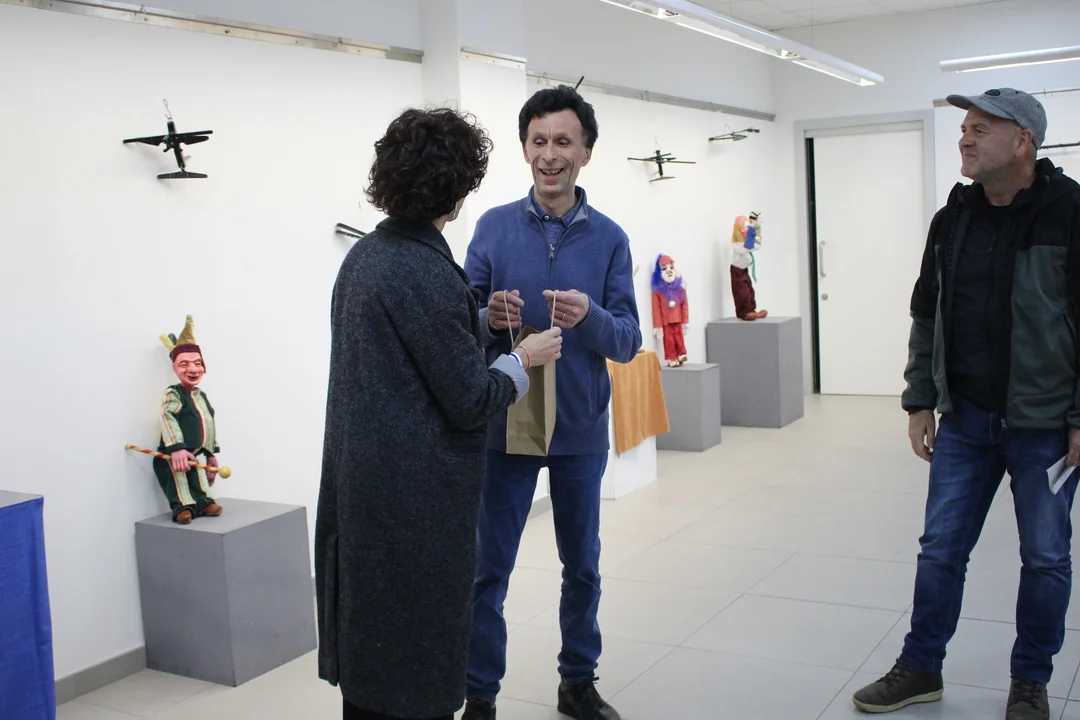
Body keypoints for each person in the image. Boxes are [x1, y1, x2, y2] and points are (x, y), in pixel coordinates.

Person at [314, 107, 563, 720]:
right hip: (414, 502)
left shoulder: (366, 257)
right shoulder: (423, 269)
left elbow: (409, 350)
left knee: (371, 658)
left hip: (364, 489)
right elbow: (471, 398)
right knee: (414, 664)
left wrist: (477, 322)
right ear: (457, 187)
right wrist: (524, 358)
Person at [852, 89, 1080, 720]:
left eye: (981, 129)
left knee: (1046, 559)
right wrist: (919, 399)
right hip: (967, 418)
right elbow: (926, 312)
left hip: (1044, 424)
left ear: (1023, 141)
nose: (965, 138)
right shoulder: (953, 218)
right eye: (964, 129)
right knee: (941, 549)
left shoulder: (1070, 212)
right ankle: (921, 666)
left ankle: (1030, 682)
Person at [461, 85, 642, 720]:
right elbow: (458, 323)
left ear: (586, 152)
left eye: (563, 141)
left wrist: (590, 316)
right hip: (504, 424)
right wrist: (486, 316)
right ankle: (479, 695)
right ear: (524, 149)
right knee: (488, 570)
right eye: (538, 141)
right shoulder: (492, 227)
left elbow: (627, 341)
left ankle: (577, 683)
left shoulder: (611, 239)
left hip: (580, 430)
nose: (549, 154)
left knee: (582, 566)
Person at [154, 314, 223, 524]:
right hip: (172, 456)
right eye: (184, 364)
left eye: (197, 363)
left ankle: (203, 503)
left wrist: (210, 453)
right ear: (175, 368)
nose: (192, 369)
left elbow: (209, 422)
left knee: (197, 478)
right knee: (178, 480)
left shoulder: (201, 396)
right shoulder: (173, 393)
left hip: (194, 454)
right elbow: (167, 416)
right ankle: (182, 507)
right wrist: (176, 448)